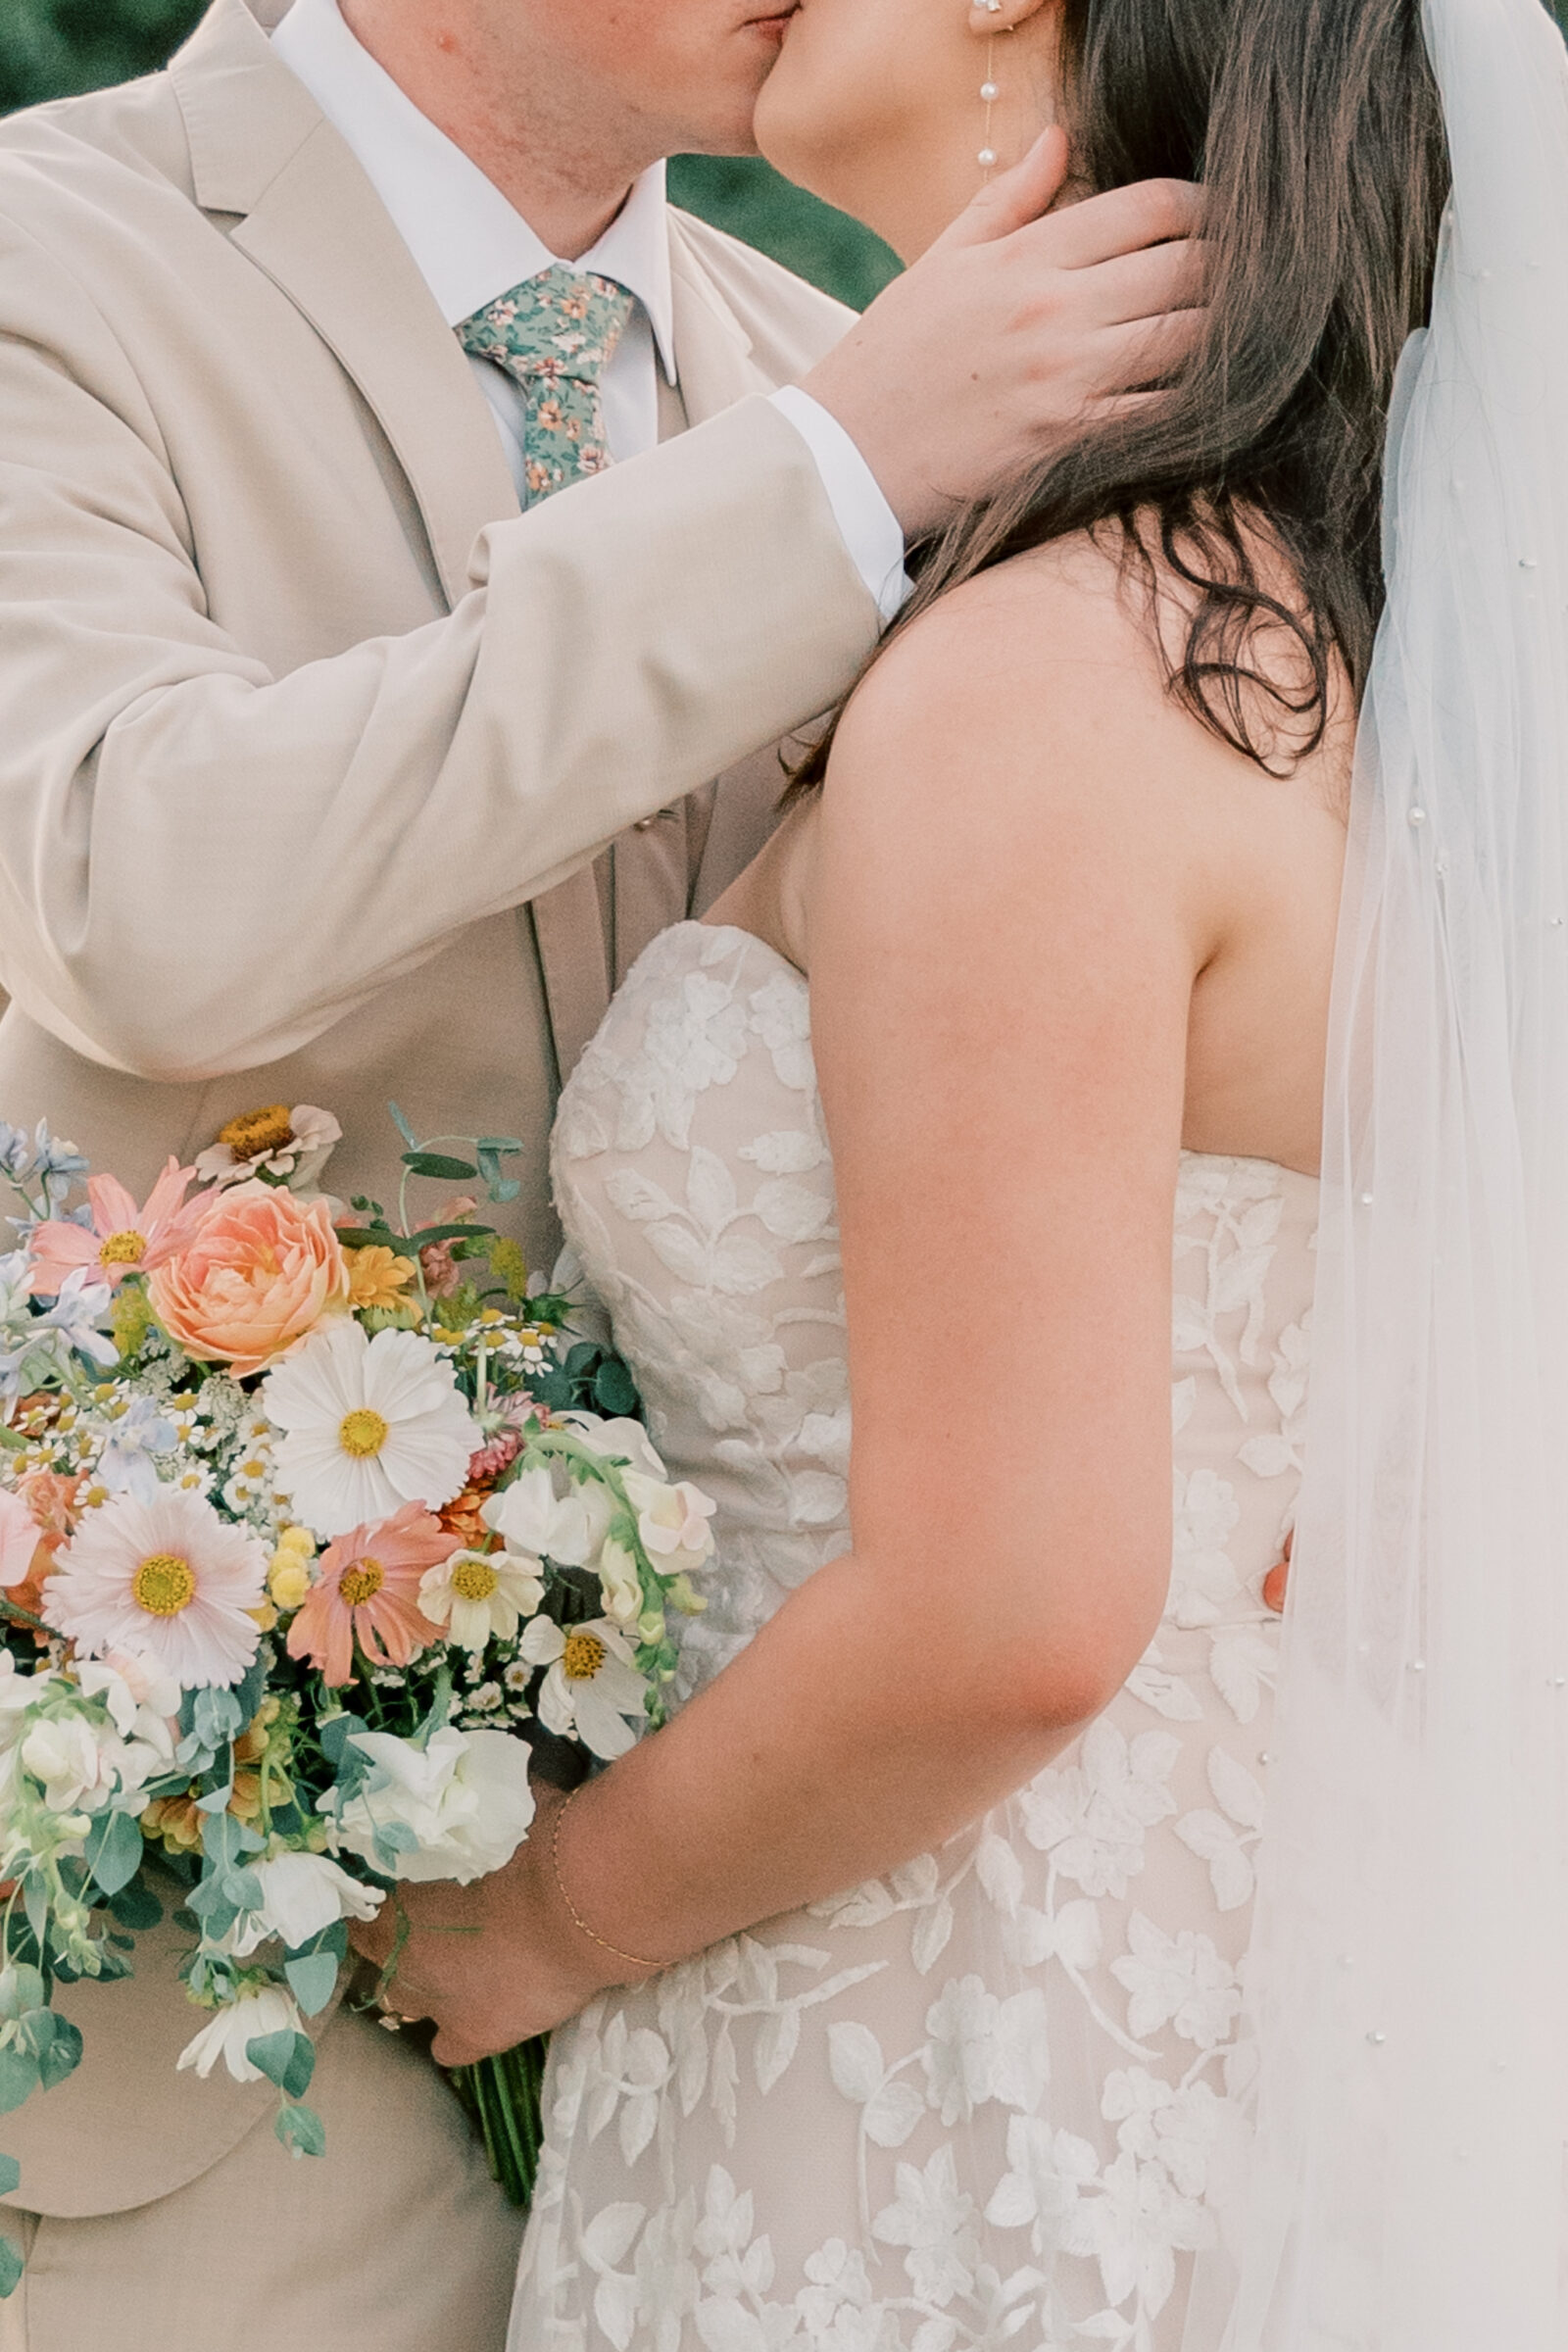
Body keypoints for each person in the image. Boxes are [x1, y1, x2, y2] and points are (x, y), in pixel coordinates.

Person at [0, 1, 1205, 2345]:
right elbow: (124, 893)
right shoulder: (56, 254)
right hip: (200, 2019)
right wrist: (827, 488)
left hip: (775, 1998)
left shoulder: (861, 361)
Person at [353, 0, 1479, 2344]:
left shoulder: (1058, 678)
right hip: (1152, 1949)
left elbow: (1012, 1605)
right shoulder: (1255, 623)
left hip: (948, 2046)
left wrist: (525, 1926)